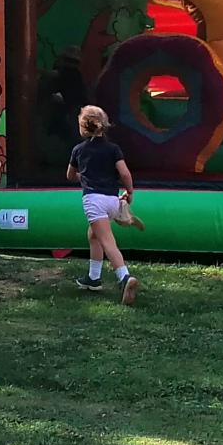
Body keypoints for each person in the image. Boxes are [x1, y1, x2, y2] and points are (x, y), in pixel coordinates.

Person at [69, 105, 140, 302]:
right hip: (112, 200)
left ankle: (124, 277)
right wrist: (130, 192)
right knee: (93, 235)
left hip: (94, 201)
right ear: (104, 124)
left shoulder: (78, 150)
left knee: (107, 241)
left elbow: (70, 175)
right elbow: (125, 173)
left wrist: (83, 176)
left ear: (83, 127)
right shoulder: (113, 149)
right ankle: (93, 278)